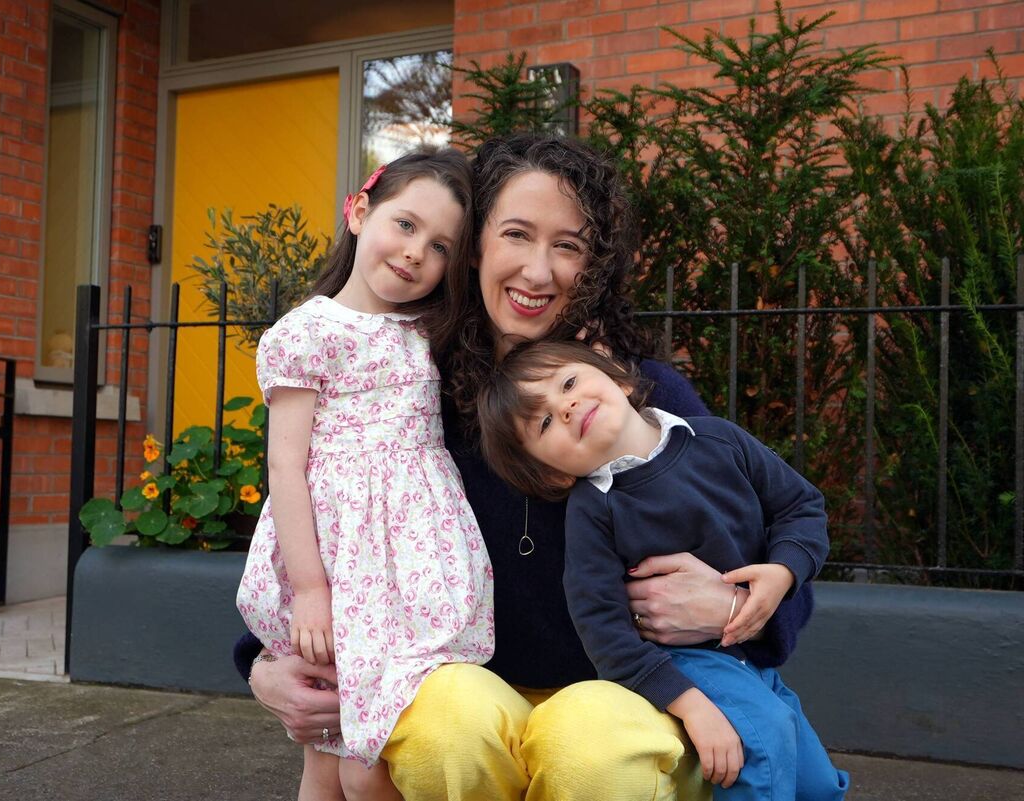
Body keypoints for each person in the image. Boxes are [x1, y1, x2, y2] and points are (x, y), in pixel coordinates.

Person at [238, 134, 815, 800]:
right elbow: (325, 508)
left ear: (593, 264)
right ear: (477, 244)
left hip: (626, 705)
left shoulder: (641, 396)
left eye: (567, 245)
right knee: (438, 722)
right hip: (476, 708)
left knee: (586, 745)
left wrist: (736, 607)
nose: (538, 273)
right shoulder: (413, 386)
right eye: (517, 234)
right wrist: (263, 663)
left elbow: (786, 531)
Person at [477, 340, 850, 800]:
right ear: (549, 472)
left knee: (816, 784)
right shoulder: (594, 510)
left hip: (752, 661)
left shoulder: (719, 439)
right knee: (763, 750)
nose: (568, 406)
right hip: (685, 662)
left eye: (569, 382)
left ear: (620, 377)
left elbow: (801, 506)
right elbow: (603, 629)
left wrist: (783, 573)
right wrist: (690, 703)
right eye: (546, 421)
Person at [236, 148, 494, 801]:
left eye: (439, 246)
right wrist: (312, 589)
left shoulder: (432, 331)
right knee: (326, 762)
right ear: (358, 211)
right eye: (404, 225)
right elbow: (286, 468)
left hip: (412, 569)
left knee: (377, 761)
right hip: (340, 560)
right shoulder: (309, 330)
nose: (415, 253)